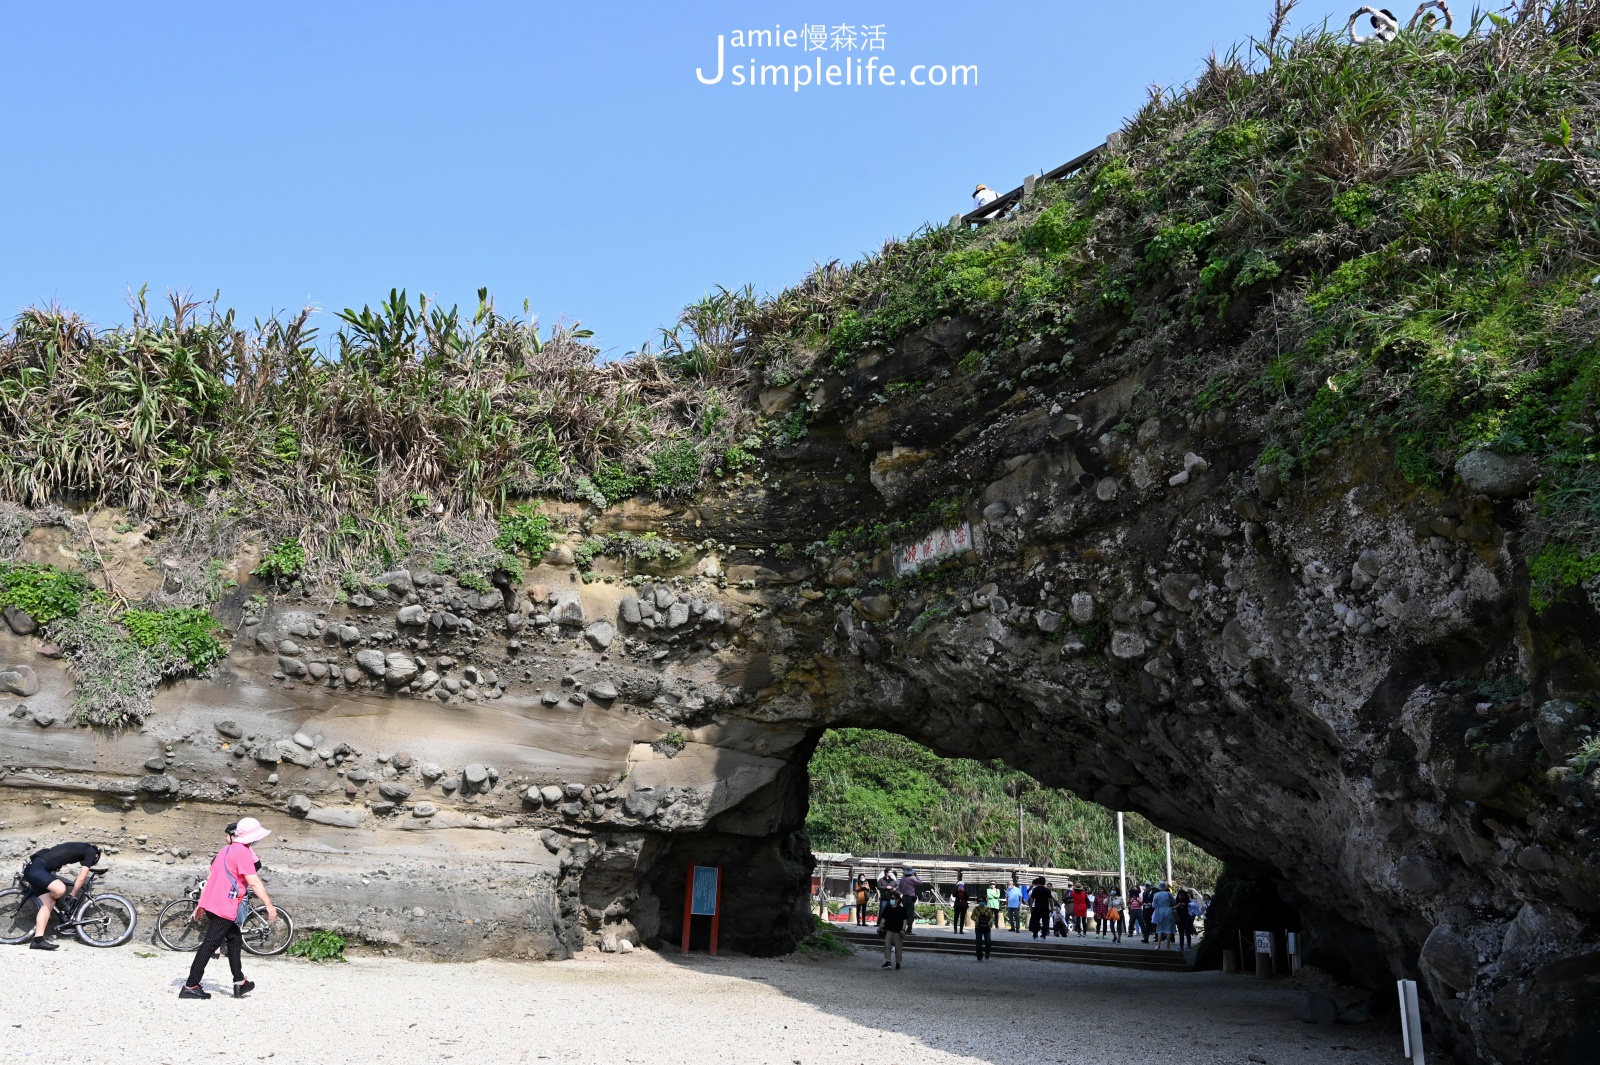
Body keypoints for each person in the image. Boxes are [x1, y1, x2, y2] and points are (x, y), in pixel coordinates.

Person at [181, 818, 277, 1000]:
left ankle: (240, 983)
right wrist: (269, 904)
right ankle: (190, 985)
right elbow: (254, 881)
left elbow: (211, 879)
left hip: (212, 903)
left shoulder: (225, 850)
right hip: (224, 906)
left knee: (234, 939)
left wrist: (201, 904)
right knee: (209, 945)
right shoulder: (243, 853)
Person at [20, 841, 101, 950]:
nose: (88, 863)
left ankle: (37, 941)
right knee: (60, 889)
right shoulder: (91, 851)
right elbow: (81, 878)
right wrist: (72, 895)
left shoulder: (80, 847)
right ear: (96, 856)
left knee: (48, 903)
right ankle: (60, 903)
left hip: (36, 869)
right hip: (37, 869)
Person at [878, 894, 906, 970]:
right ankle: (888, 961)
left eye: (893, 898)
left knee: (898, 948)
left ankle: (898, 962)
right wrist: (880, 927)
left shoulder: (901, 909)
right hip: (888, 930)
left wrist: (903, 929)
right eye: (890, 898)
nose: (891, 900)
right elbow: (884, 919)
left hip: (898, 931)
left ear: (897, 900)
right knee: (887, 946)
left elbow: (904, 920)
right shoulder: (887, 909)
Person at [897, 866, 922, 934]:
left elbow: (900, 890)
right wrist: (916, 875)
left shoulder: (902, 879)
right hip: (910, 898)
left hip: (904, 898)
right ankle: (909, 929)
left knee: (904, 914)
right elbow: (920, 882)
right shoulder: (912, 879)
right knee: (910, 914)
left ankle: (902, 928)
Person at [1152, 882, 1176, 950]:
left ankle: (1158, 945)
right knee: (1168, 929)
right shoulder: (1168, 894)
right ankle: (1168, 946)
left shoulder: (1156, 895)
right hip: (1168, 911)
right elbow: (1174, 902)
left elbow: (1153, 905)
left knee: (1160, 929)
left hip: (1159, 912)